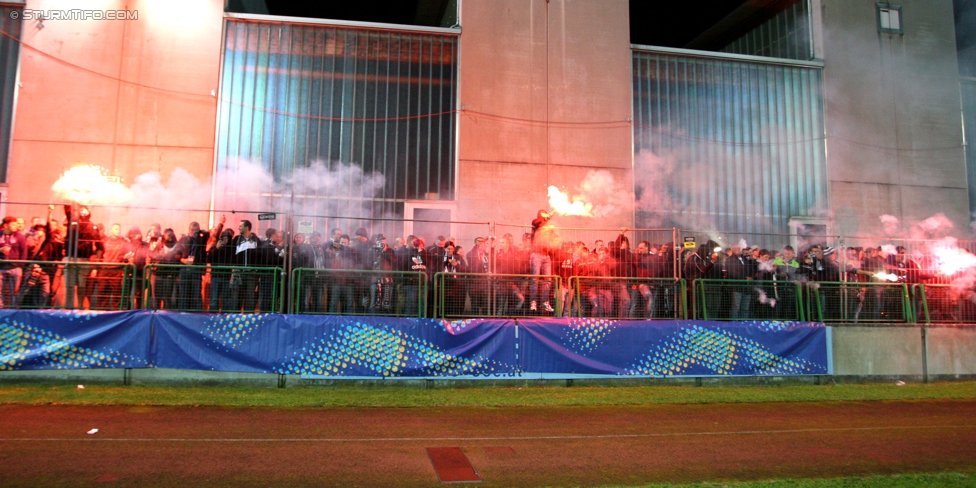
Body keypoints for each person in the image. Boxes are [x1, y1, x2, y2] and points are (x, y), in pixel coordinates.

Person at [528, 210, 557, 313]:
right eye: (544, 214)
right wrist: (548, 217)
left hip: (546, 256)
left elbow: (554, 240)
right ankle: (533, 301)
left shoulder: (547, 228)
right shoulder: (536, 222)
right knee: (535, 279)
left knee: (548, 280)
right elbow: (537, 223)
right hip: (537, 255)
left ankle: (545, 301)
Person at [231, 220, 261, 312]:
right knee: (236, 298)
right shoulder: (236, 239)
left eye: (240, 226)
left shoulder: (256, 240)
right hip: (238, 273)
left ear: (247, 227)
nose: (238, 228)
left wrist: (257, 271)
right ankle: (236, 317)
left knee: (250, 298)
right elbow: (232, 254)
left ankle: (249, 318)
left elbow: (260, 256)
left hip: (252, 274)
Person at [0, 216, 28, 308]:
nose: (16, 226)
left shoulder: (20, 236)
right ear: (5, 225)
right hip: (1, 268)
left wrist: (20, 266)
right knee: (1, 291)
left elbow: (24, 251)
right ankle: (2, 309)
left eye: (16, 224)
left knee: (14, 292)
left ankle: (14, 310)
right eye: (13, 224)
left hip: (15, 268)